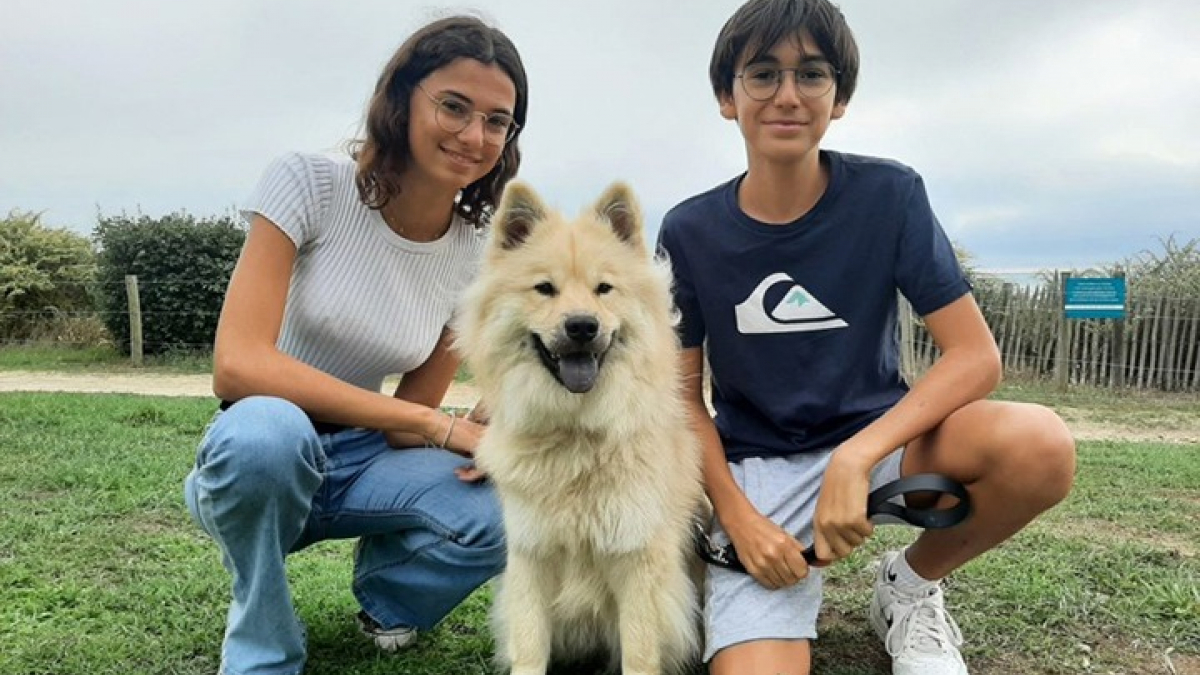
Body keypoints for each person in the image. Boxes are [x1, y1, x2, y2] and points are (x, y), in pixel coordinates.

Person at [655, 1, 1076, 674]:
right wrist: (735, 514)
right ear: (726, 97)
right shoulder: (688, 231)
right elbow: (679, 398)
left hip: (885, 450)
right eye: (762, 74)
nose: (787, 95)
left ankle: (906, 588)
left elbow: (975, 355)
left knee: (1039, 444)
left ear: (839, 97)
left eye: (812, 74)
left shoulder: (890, 196)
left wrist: (856, 455)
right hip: (759, 468)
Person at [183, 15, 528, 675]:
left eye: (496, 120)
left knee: (509, 501)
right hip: (261, 448)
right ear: (399, 100)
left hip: (365, 455)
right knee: (267, 432)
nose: (473, 134)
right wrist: (436, 424)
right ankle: (262, 640)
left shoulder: (474, 256)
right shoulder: (307, 183)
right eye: (453, 106)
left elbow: (407, 422)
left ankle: (389, 596)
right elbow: (239, 365)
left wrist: (492, 424)